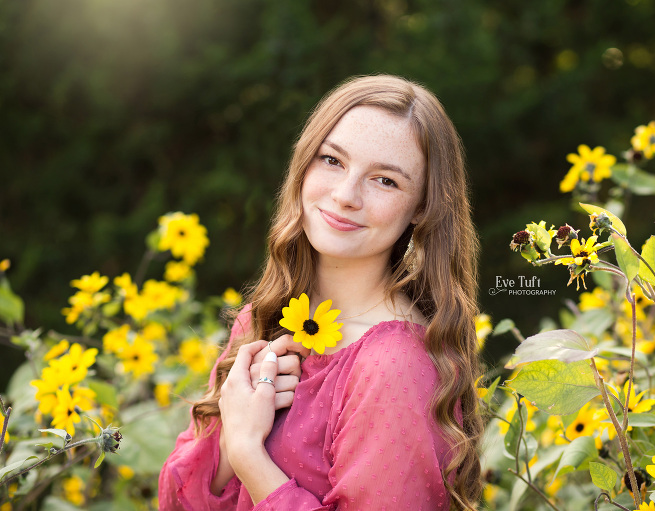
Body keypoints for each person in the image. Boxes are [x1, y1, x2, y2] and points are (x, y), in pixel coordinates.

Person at [158, 75, 483, 510]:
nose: (346, 195)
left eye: (385, 181)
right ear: (304, 163)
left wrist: (247, 454)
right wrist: (227, 452)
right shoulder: (264, 319)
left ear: (422, 207)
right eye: (332, 160)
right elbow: (177, 500)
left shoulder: (395, 367)